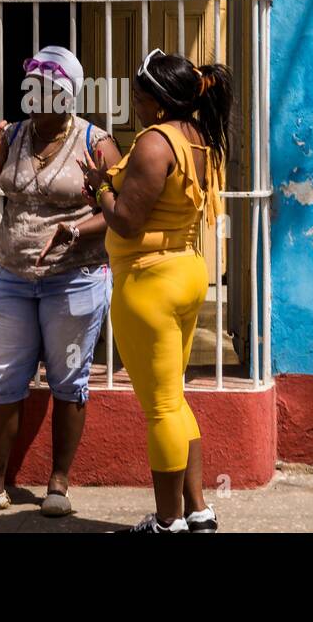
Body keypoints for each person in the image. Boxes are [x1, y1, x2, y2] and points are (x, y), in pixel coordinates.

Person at [0, 46, 122, 517]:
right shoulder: (10, 135)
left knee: (68, 380)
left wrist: (77, 229)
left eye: (47, 92)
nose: (37, 100)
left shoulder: (95, 142)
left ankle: (58, 482)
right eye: (33, 90)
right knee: (4, 378)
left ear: (67, 95)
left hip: (74, 279)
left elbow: (121, 213)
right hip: (14, 279)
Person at [79, 48, 233, 534]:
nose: (134, 104)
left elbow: (125, 222)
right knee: (176, 397)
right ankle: (198, 510)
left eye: (138, 95)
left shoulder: (154, 143)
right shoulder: (200, 140)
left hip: (149, 281)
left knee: (162, 407)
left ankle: (168, 522)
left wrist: (101, 186)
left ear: (158, 100)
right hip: (185, 271)